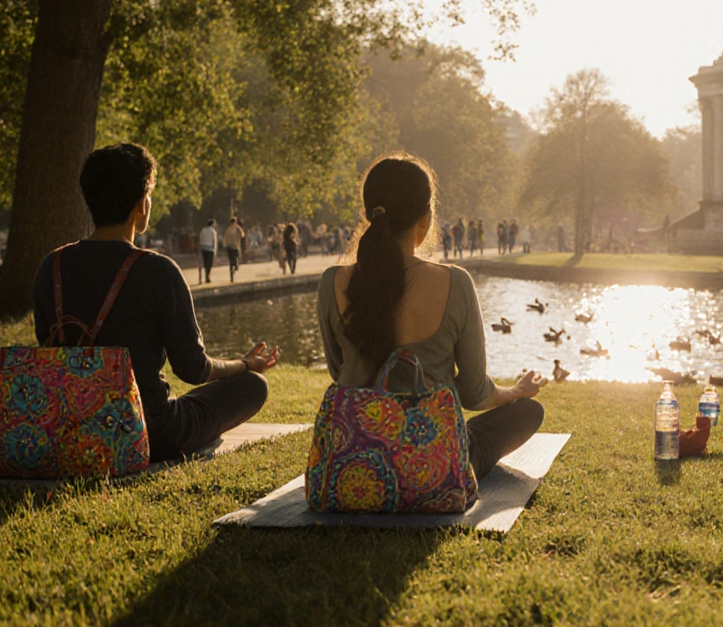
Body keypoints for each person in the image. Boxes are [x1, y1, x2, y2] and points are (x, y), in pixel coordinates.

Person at [33, 143, 277, 462]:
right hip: (149, 433)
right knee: (253, 386)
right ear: (141, 202)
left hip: (68, 429)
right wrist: (245, 365)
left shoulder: (50, 267)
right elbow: (193, 368)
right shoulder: (157, 270)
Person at [317, 153, 545, 482]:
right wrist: (515, 392)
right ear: (426, 217)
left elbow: (340, 373)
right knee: (528, 412)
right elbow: (475, 394)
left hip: (355, 462)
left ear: (368, 215)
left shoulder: (331, 282)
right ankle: (449, 457)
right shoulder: (455, 283)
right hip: (431, 469)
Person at [223, 217, 245, 283]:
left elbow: (225, 238)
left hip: (228, 247)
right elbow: (242, 235)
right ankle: (234, 270)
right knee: (236, 261)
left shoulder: (227, 229)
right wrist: (239, 227)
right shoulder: (237, 228)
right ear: (235, 222)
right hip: (235, 247)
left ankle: (231, 276)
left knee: (231, 262)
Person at [199, 218, 218, 284]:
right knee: (209, 263)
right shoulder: (213, 231)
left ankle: (206, 274)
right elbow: (215, 241)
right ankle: (208, 276)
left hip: (204, 249)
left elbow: (200, 239)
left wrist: (201, 246)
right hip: (210, 249)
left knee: (205, 262)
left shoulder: (203, 230)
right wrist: (215, 250)